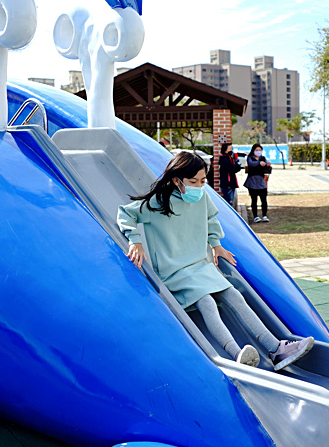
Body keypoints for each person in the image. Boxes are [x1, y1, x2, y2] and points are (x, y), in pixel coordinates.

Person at [117, 150, 314, 370]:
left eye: (203, 181)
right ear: (176, 180)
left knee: (235, 296)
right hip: (174, 272)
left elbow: (211, 219)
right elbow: (126, 214)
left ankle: (276, 349)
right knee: (207, 303)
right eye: (193, 181)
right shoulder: (158, 202)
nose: (199, 186)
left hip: (201, 265)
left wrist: (216, 245)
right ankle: (237, 354)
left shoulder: (202, 196)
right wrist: (135, 241)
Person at [244, 143, 272, 223]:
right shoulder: (250, 158)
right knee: (254, 199)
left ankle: (264, 215)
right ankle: (255, 216)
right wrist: (258, 163)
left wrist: (267, 165)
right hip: (252, 181)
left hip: (261, 181)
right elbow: (251, 164)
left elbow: (266, 166)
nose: (258, 152)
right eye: (257, 150)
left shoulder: (263, 158)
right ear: (253, 151)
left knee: (264, 199)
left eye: (260, 150)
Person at [217, 142, 241, 207]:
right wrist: (236, 166)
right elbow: (232, 168)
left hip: (232, 183)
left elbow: (237, 168)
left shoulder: (231, 158)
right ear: (225, 150)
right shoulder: (223, 158)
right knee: (229, 202)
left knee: (231, 200)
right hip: (227, 183)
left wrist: (237, 164)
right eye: (230, 149)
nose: (231, 150)